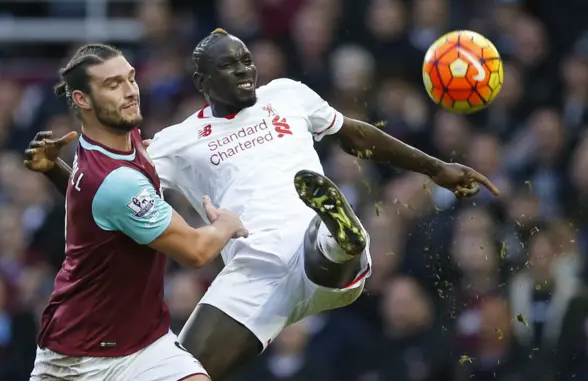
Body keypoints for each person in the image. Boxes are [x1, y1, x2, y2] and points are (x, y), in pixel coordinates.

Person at [25, 30, 500, 380]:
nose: (246, 71)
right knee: (184, 367)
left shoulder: (287, 96)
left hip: (310, 249)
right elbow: (106, 198)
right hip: (250, 272)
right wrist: (57, 171)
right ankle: (339, 235)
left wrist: (436, 168)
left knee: (320, 239)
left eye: (247, 60)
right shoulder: (175, 142)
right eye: (230, 66)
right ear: (202, 80)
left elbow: (355, 134)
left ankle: (341, 234)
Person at [25, 43, 249, 381]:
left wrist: (52, 169)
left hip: (146, 345)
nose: (131, 92)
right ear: (83, 100)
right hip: (78, 360)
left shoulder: (118, 137)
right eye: (113, 84)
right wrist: (226, 225)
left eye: (131, 79)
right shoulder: (116, 181)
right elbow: (195, 251)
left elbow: (93, 202)